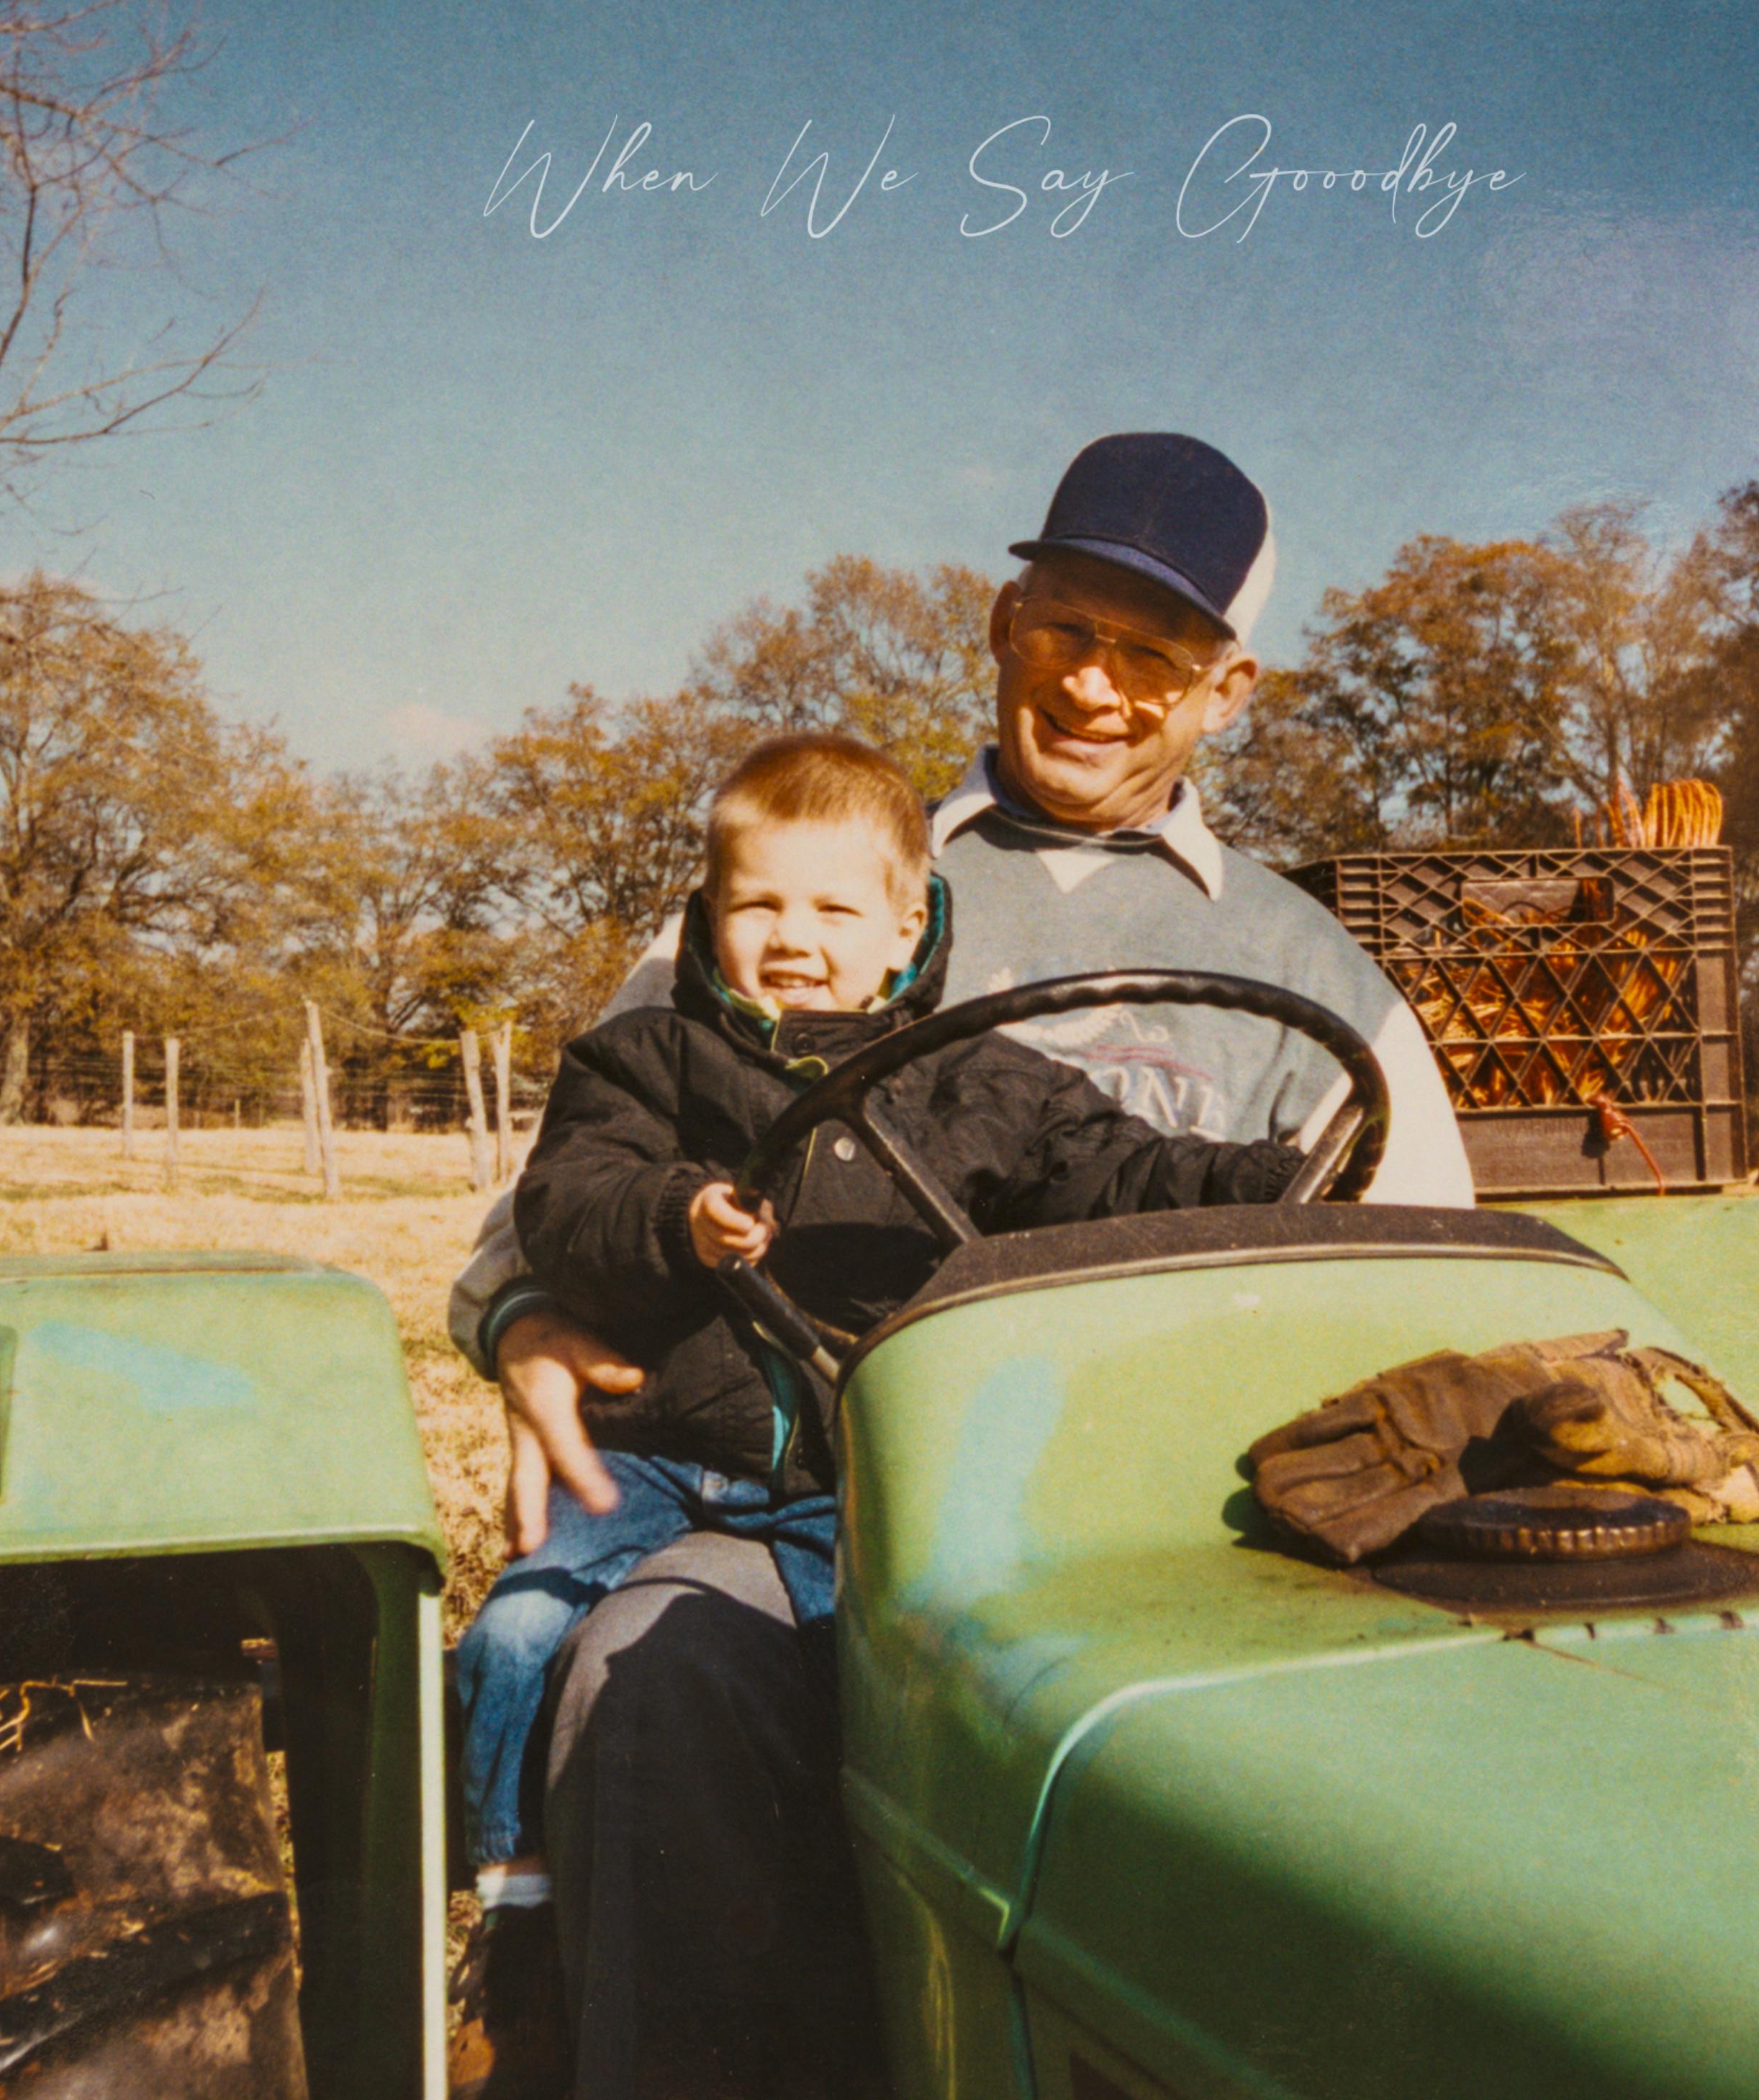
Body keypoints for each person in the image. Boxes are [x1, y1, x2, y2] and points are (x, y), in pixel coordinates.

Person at [445, 431, 1476, 2099]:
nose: (1095, 684)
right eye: (1068, 626)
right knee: (649, 1664)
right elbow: (566, 1184)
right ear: (1003, 624)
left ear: (1228, 691)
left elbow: (1419, 1265)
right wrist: (526, 1325)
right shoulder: (814, 883)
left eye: (1154, 655)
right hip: (825, 1504)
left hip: (1174, 1537)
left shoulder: (1317, 970)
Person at [451, 732, 1303, 2097]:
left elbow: (1117, 1168)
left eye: (835, 910)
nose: (794, 939)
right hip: (663, 1458)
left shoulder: (985, 1078)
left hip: (853, 1479)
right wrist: (673, 1215)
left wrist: (1262, 1179)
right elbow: (569, 1201)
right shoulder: (644, 1060)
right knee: (517, 1632)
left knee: (868, 1675)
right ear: (708, 913)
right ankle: (516, 1933)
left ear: (908, 927)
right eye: (759, 904)